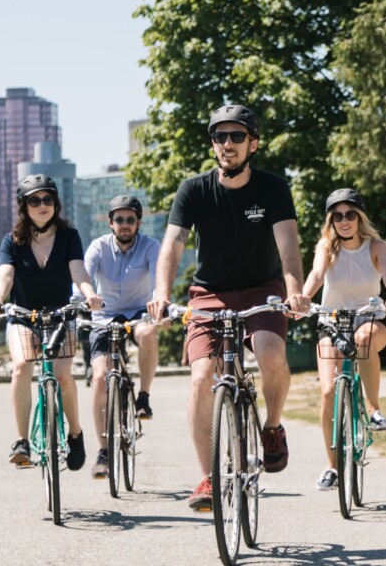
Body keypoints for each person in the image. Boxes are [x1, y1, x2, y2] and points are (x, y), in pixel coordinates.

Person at [147, 104, 311, 512]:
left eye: (236, 136)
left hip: (262, 290)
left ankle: (271, 427)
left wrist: (295, 290)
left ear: (253, 143)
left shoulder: (273, 188)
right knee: (202, 377)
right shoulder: (194, 189)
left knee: (272, 353)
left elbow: (288, 246)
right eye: (220, 137)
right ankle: (207, 477)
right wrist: (162, 293)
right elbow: (173, 243)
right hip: (209, 293)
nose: (227, 144)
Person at [0, 174, 103, 470]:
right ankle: (21, 441)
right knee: (22, 366)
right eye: (34, 200)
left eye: (48, 199)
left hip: (61, 315)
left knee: (63, 375)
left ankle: (75, 432)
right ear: (23, 206)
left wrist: (90, 295)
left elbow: (79, 273)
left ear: (56, 204)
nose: (42, 206)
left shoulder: (69, 237)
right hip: (23, 315)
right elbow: (5, 276)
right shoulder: (11, 241)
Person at [301, 189, 386, 492]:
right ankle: (332, 466)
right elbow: (317, 275)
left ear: (360, 218)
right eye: (338, 216)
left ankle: (373, 410)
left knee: (364, 339)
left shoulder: (376, 246)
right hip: (331, 323)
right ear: (331, 220)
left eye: (350, 215)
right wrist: (303, 298)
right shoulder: (326, 247)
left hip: (368, 318)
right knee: (329, 391)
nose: (344, 221)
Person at [83, 194, 163, 479]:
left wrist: (158, 302)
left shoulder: (150, 246)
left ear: (139, 222)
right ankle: (103, 451)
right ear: (110, 223)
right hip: (104, 315)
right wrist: (86, 296)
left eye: (130, 220)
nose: (125, 225)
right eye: (119, 220)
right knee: (101, 377)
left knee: (149, 333)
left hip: (138, 312)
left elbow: (158, 277)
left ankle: (143, 396)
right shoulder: (98, 247)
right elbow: (84, 274)